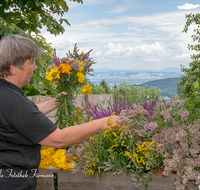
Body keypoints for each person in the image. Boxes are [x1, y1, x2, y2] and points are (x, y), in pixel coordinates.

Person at [0, 34, 122, 190]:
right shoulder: (17, 104)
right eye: (31, 63)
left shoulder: (6, 96)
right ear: (14, 68)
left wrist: (53, 102)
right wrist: (102, 123)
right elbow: (59, 139)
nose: (35, 68)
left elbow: (17, 117)